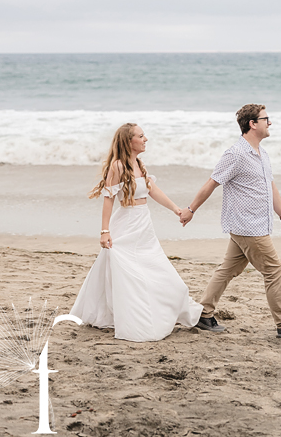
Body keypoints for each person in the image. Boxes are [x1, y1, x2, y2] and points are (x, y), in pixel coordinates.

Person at [180, 103, 281, 338]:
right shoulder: (236, 154)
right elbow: (212, 182)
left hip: (254, 224)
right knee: (274, 270)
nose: (269, 122)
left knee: (228, 269)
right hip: (247, 226)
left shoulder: (262, 154)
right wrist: (191, 209)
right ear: (252, 124)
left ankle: (204, 314)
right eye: (266, 119)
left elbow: (270, 186)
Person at [71, 123, 203, 342]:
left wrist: (176, 209)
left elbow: (153, 191)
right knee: (126, 270)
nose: (146, 139)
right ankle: (132, 316)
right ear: (128, 141)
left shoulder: (139, 164)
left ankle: (161, 307)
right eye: (141, 136)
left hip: (144, 225)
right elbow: (108, 200)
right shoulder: (118, 166)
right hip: (126, 224)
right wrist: (104, 231)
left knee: (155, 267)